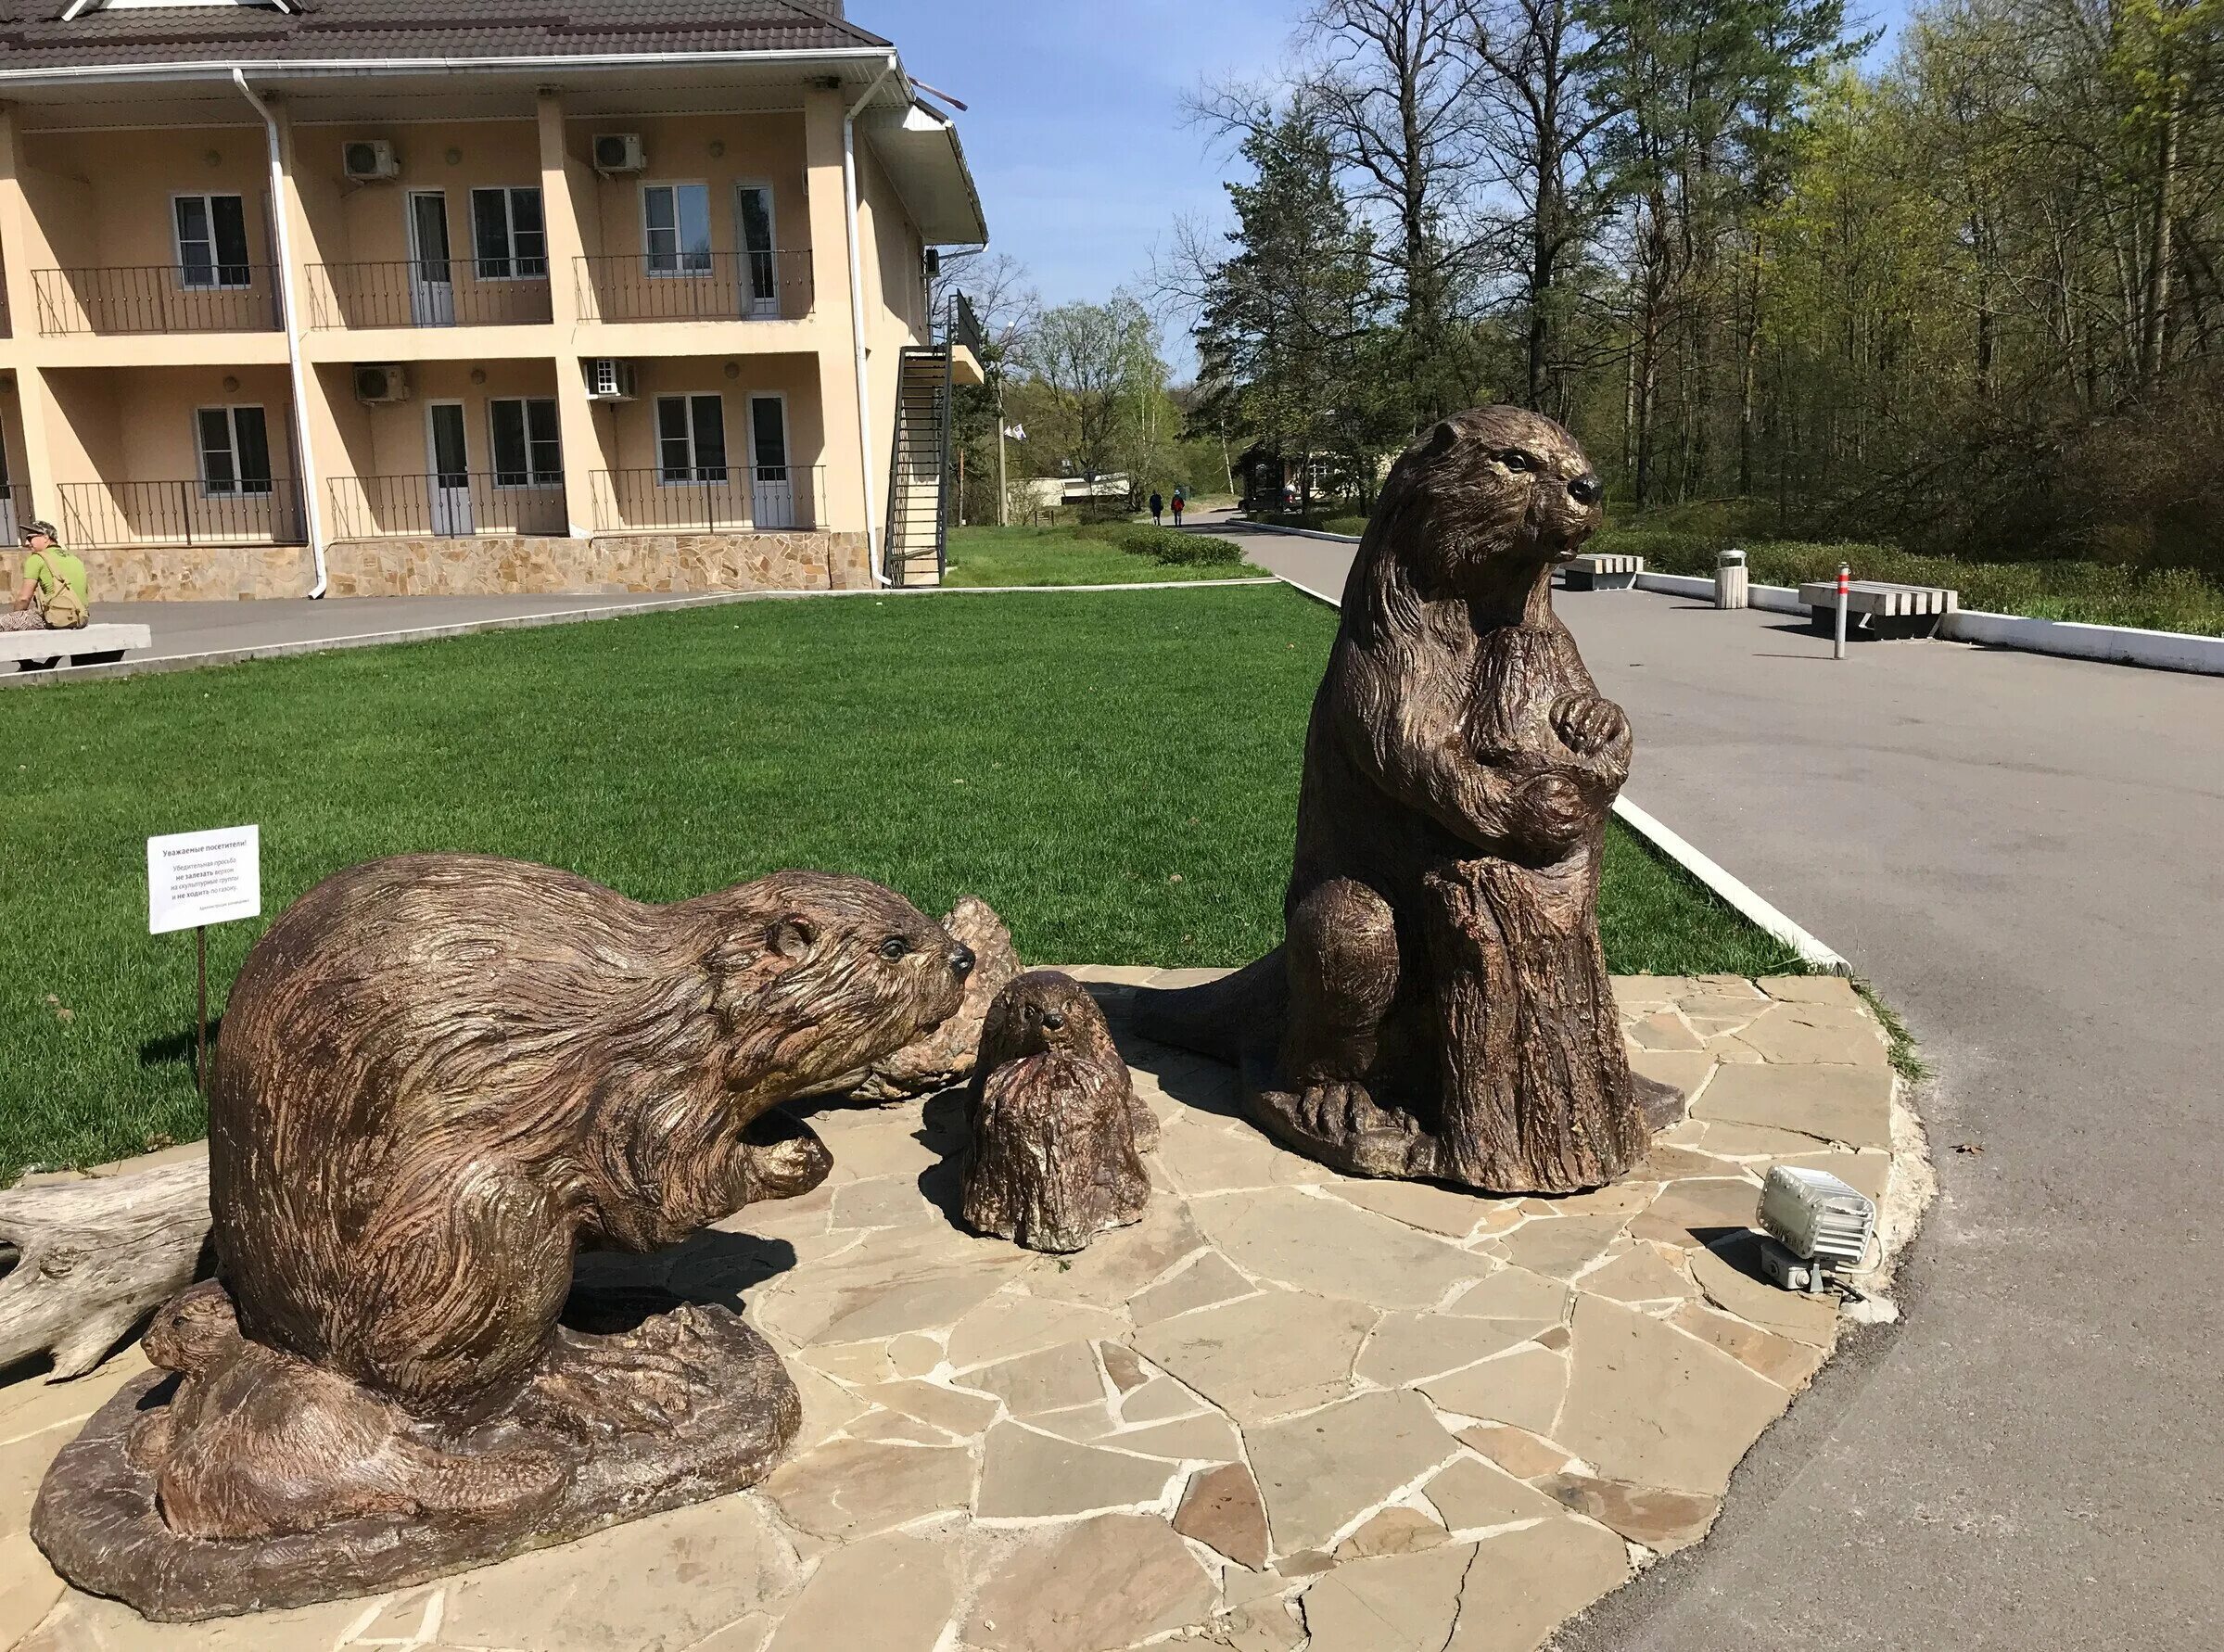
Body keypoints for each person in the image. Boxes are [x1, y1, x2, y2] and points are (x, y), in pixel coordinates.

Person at [1, 521, 88, 633]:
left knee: (4, 622)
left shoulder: (37, 559)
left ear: (46, 537)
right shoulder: (75, 559)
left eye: (30, 538)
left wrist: (15, 618)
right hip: (81, 618)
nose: (27, 543)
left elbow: (24, 598)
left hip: (55, 618)